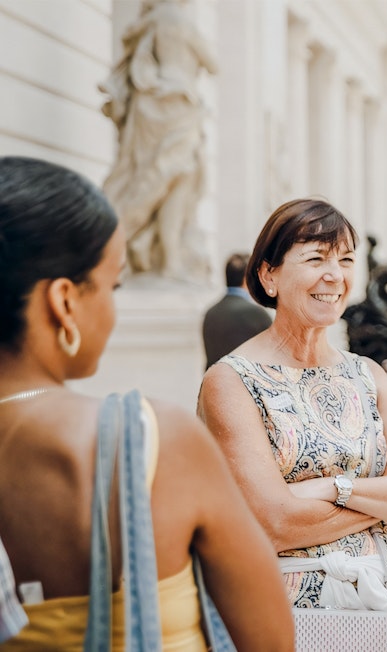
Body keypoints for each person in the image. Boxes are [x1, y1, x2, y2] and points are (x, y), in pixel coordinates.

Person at [0, 156, 293, 649]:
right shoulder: (155, 441)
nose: (114, 308)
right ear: (64, 301)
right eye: (113, 286)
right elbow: (270, 641)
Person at [196, 198, 387, 652]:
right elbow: (274, 521)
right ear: (268, 275)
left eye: (346, 260)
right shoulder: (230, 382)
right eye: (315, 258)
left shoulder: (368, 375)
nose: (335, 275)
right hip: (287, 616)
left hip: (384, 610)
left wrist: (333, 489)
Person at [99, 0, 217, 279]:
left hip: (150, 101)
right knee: (176, 177)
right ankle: (165, 259)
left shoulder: (149, 20)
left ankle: (154, 254)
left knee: (152, 176)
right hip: (179, 103)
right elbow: (213, 63)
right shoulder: (182, 21)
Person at [201, 252, 273, 368]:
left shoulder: (211, 312)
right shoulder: (256, 314)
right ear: (246, 279)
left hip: (213, 383)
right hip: (243, 384)